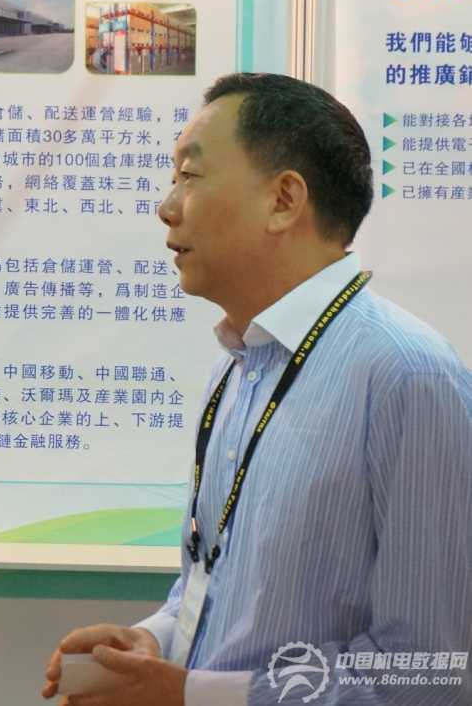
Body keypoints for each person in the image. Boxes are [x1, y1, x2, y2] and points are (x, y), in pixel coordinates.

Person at [42, 73, 472, 705]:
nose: (166, 207)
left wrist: (195, 696)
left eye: (190, 176)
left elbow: (430, 673)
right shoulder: (241, 366)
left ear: (283, 200)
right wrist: (156, 640)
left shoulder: (409, 378)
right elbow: (215, 579)